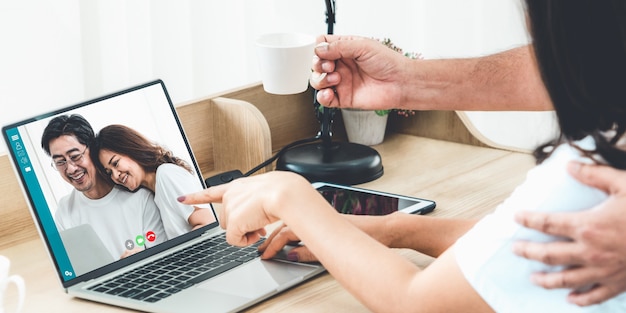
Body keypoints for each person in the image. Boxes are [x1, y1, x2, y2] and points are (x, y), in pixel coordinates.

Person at [178, 1, 626, 312]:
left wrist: (289, 195)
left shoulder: (593, 173)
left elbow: (419, 302)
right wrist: (392, 229)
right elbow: (525, 249)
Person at [41, 114, 167, 260]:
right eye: (60, 162)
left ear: (92, 151)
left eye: (75, 156)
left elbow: (163, 256)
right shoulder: (64, 211)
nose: (70, 169)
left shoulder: (140, 195)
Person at [92, 124, 216, 239]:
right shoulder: (154, 193)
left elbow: (207, 224)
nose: (115, 175)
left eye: (115, 163)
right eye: (109, 172)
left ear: (130, 150)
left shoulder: (166, 174)